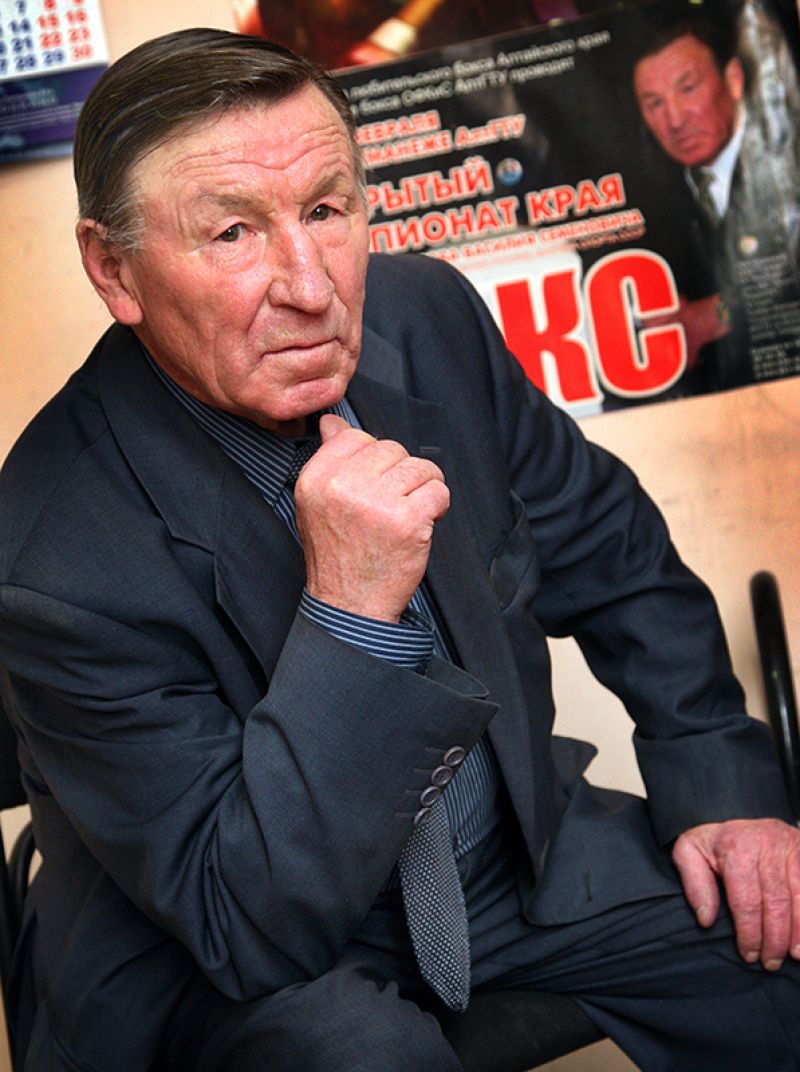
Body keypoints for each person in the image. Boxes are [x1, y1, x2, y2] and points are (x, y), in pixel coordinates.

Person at [0, 27, 798, 1072]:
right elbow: (247, 923)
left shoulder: (426, 319)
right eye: (232, 232)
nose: (310, 285)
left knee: (777, 940)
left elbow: (609, 547)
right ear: (115, 269)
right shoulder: (52, 556)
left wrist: (720, 781)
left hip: (506, 860)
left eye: (325, 210)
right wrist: (349, 614)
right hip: (231, 956)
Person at [630, 7, 800, 394]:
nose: (675, 120)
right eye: (654, 103)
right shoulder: (654, 195)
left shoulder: (787, 155)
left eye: (688, 89)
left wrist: (722, 312)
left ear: (734, 80)